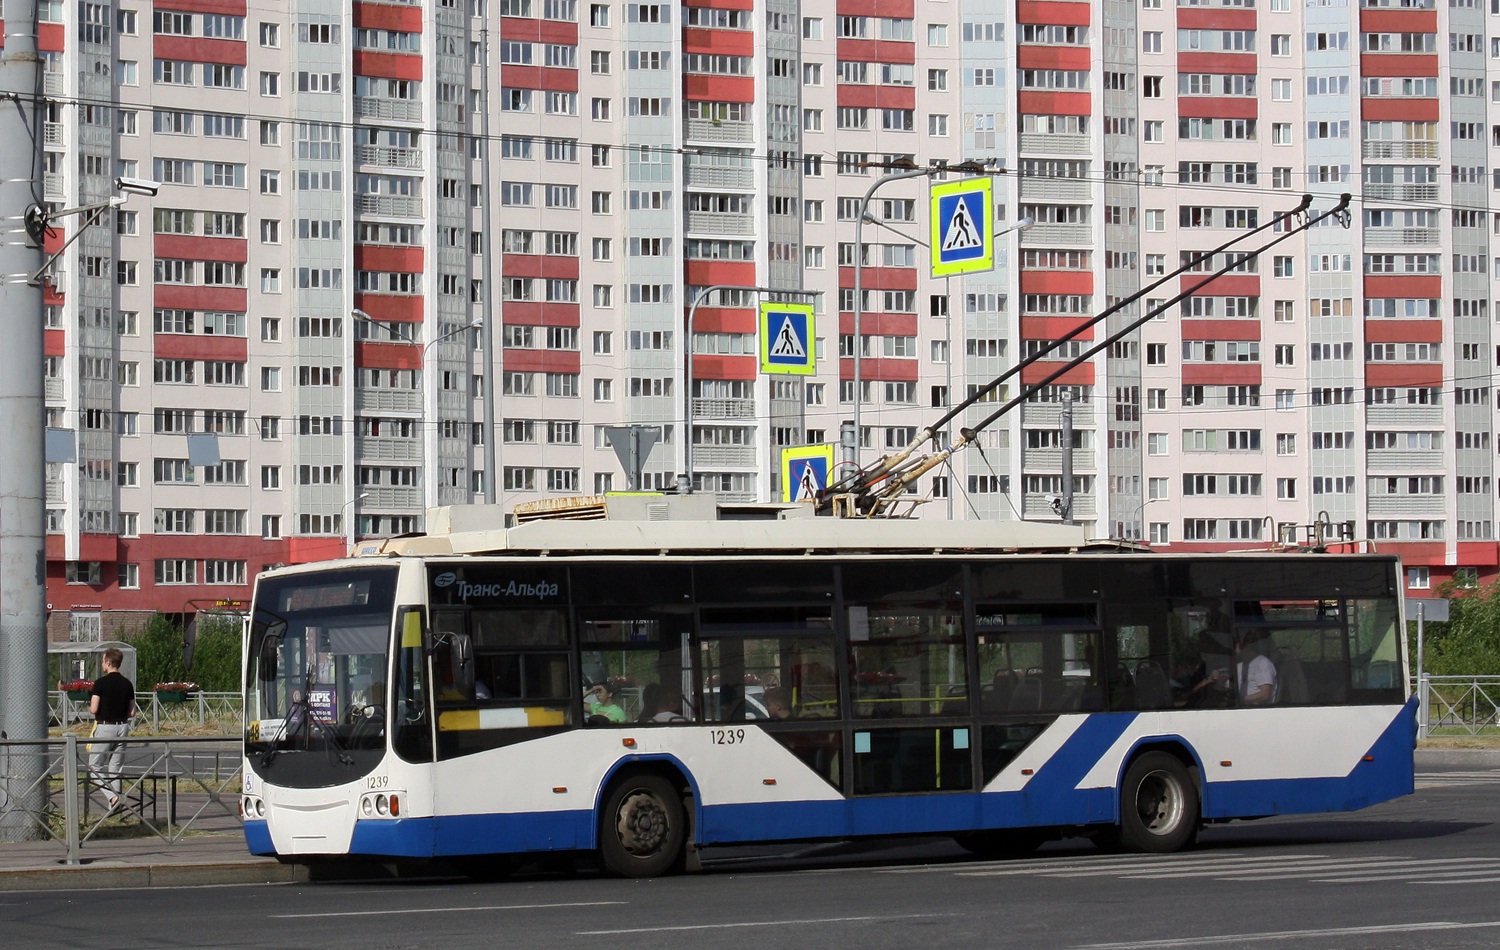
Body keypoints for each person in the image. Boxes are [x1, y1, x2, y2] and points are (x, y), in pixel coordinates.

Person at [89, 647, 137, 810]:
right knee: (115, 768)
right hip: (123, 727)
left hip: (105, 726)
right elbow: (132, 712)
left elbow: (93, 709)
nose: (102, 664)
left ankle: (113, 797)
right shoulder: (127, 683)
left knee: (94, 767)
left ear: (108, 662)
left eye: (103, 661)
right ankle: (115, 808)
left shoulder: (100, 683)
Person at [1235, 636, 1278, 705]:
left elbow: (1265, 695)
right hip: (1240, 708)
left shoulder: (1262, 663)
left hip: (1257, 708)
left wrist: (1240, 699)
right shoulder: (1240, 666)